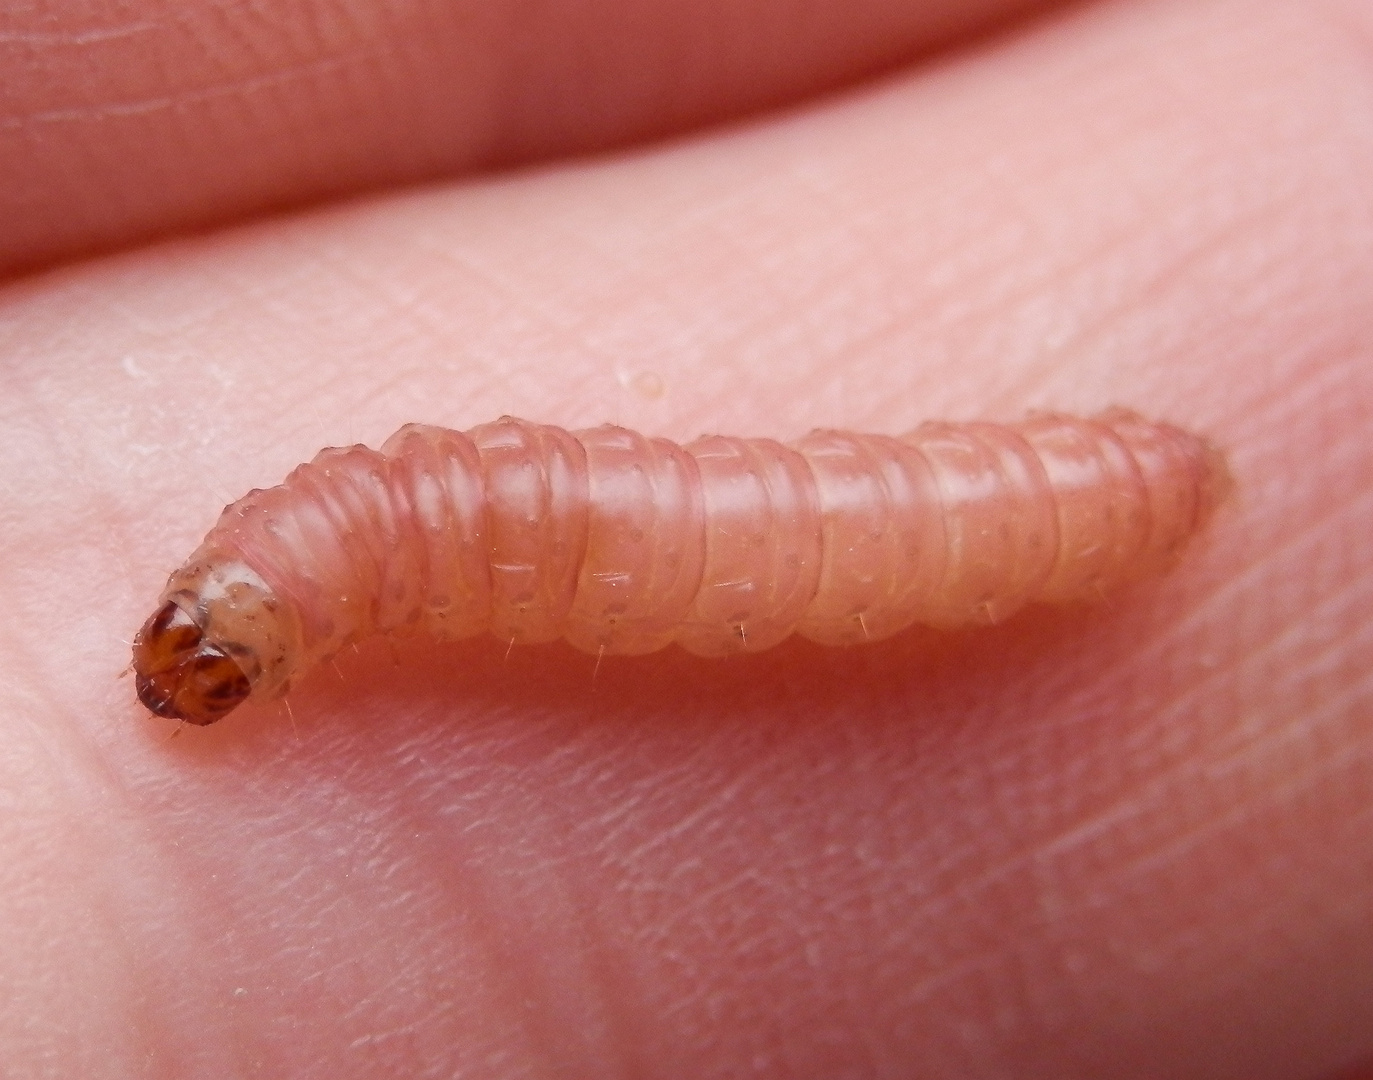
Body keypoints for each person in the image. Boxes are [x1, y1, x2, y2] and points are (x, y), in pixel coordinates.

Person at [1, 0, 1370, 1075]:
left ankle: (1134, 492)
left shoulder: (395, 533)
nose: (185, 675)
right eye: (224, 650)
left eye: (215, 644)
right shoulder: (393, 536)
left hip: (1050, 500)